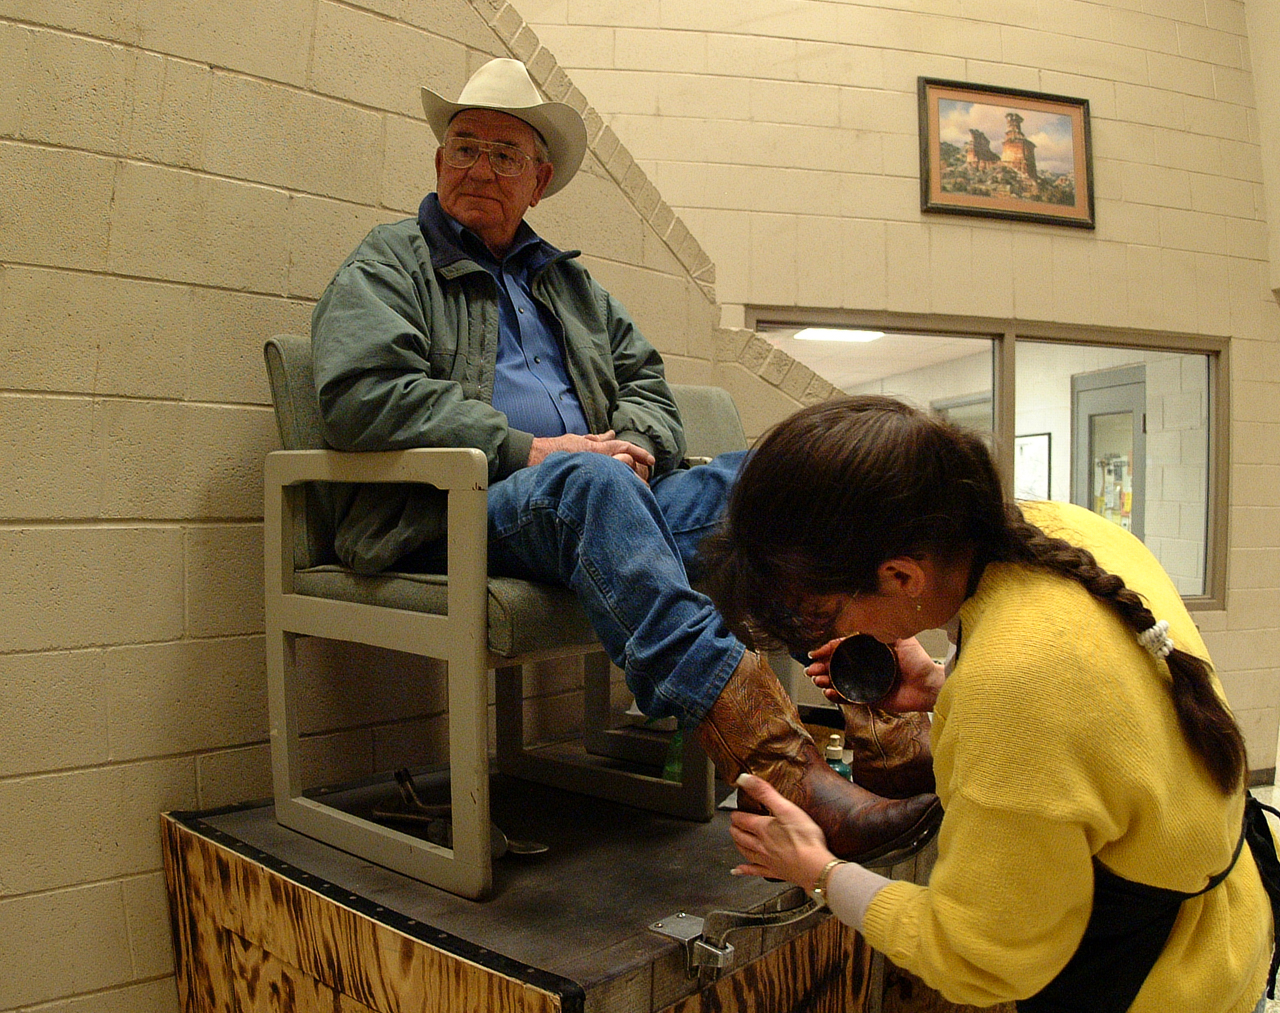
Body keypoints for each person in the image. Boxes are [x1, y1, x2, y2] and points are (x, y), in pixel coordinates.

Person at [308, 58, 941, 864]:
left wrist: (638, 443)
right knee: (588, 480)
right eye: (464, 147)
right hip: (460, 507)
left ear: (538, 182)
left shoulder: (568, 285)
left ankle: (884, 728)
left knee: (773, 479)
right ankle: (791, 775)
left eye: (504, 155)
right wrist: (532, 447)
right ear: (438, 164)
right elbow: (362, 393)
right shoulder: (390, 263)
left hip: (593, 498)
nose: (479, 167)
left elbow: (647, 383)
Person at [701, 394, 1277, 1013]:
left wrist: (818, 871)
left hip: (1160, 983)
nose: (837, 631)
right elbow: (1109, 722)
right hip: (1233, 916)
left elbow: (984, 960)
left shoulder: (1012, 685)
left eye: (829, 612)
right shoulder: (1060, 529)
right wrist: (941, 688)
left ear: (900, 576)